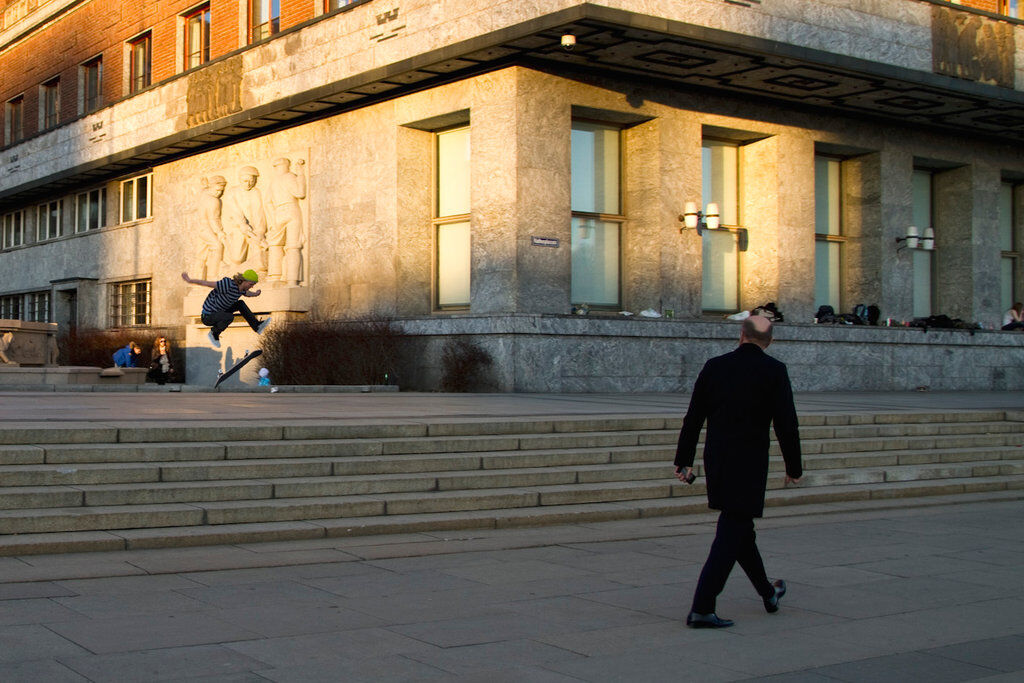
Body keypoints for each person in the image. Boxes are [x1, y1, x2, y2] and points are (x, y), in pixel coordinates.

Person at [674, 315, 803, 629]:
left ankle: (768, 593)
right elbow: (787, 423)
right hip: (750, 463)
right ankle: (702, 608)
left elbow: (693, 417)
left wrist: (684, 460)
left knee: (741, 531)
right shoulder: (774, 370)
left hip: (718, 460)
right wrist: (794, 467)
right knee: (731, 531)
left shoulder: (715, 366)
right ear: (769, 341)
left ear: (741, 335)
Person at [181, 269, 271, 348]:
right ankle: (214, 333)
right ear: (244, 281)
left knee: (240, 304)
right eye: (251, 284)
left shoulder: (242, 290)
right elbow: (207, 283)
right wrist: (190, 280)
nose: (252, 286)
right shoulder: (227, 284)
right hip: (208, 316)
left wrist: (256, 294)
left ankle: (257, 326)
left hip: (221, 312)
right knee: (229, 317)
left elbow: (248, 293)